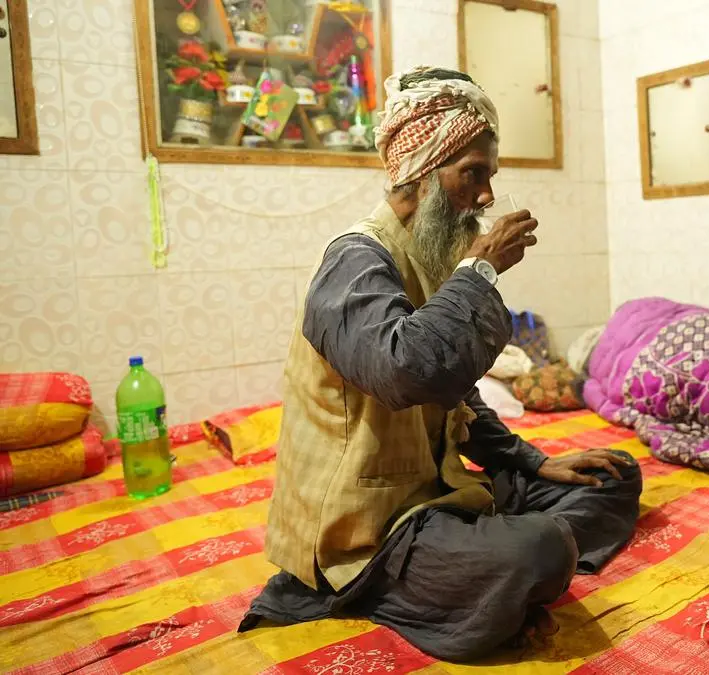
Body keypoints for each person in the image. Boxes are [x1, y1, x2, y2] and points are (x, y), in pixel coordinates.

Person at [237, 66, 642, 662]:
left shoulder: (428, 253)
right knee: (543, 547)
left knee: (613, 474)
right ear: (419, 173)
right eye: (471, 174)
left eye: (489, 177)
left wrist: (537, 462)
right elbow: (407, 374)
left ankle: (486, 581)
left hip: (439, 492)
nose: (483, 196)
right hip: (370, 527)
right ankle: (439, 585)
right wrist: (478, 272)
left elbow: (455, 395)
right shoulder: (351, 264)